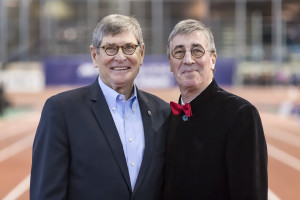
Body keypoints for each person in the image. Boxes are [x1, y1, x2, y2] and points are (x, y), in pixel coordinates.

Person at [30, 14, 170, 200]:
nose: (120, 57)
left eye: (129, 48)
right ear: (94, 56)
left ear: (142, 53)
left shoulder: (163, 112)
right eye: (110, 48)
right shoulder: (62, 111)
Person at [164, 19, 268, 200]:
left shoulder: (241, 114)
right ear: (171, 63)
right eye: (179, 52)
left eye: (197, 51)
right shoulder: (167, 118)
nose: (188, 60)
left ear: (212, 60)